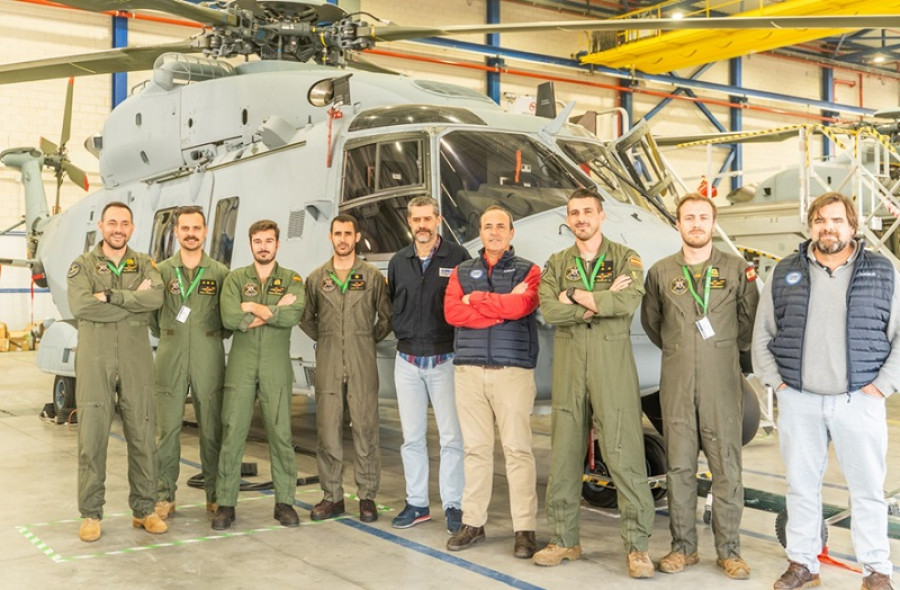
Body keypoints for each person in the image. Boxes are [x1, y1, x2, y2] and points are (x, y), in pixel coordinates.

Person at [753, 192, 899, 590]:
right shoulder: (785, 272)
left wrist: (882, 386)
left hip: (860, 400)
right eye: (820, 220)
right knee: (801, 486)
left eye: (836, 220)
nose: (827, 227)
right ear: (811, 226)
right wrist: (778, 384)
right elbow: (762, 334)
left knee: (868, 490)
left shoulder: (883, 272)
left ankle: (876, 570)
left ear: (852, 226)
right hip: (800, 400)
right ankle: (803, 564)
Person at [534, 188, 655, 578]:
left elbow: (626, 303)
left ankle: (637, 548)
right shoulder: (557, 262)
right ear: (568, 220)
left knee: (624, 453)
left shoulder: (625, 258)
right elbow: (550, 309)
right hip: (570, 364)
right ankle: (564, 539)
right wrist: (592, 301)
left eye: (588, 211)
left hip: (611, 364)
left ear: (601, 216)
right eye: (574, 213)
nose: (581, 218)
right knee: (565, 455)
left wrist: (576, 299)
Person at [640, 194, 759, 579]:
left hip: (721, 383)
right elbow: (652, 323)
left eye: (703, 218)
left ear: (712, 223)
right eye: (688, 218)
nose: (695, 224)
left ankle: (729, 550)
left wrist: (717, 351)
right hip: (676, 383)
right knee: (678, 467)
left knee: (727, 467)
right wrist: (682, 349)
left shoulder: (737, 269)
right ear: (678, 224)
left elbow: (748, 323)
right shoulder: (660, 272)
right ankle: (683, 548)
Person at [443, 205, 541, 559]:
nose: (495, 232)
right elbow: (453, 313)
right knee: (476, 451)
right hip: (468, 372)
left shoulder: (529, 270)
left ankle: (524, 529)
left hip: (512, 371)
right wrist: (499, 308)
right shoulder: (461, 271)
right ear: (480, 233)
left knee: (517, 450)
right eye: (488, 226)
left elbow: (523, 307)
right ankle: (473, 522)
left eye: (502, 226)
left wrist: (479, 301)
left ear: (511, 233)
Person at [66, 201, 166, 542]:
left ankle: (145, 510)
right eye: (112, 222)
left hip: (136, 357)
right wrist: (129, 303)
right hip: (96, 356)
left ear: (132, 228)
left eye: (124, 223)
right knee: (92, 435)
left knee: (143, 432)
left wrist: (108, 297)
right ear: (101, 226)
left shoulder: (146, 263)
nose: (118, 228)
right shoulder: (83, 265)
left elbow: (155, 299)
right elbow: (81, 305)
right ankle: (91, 513)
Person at [211, 219, 306, 530]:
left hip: (276, 365)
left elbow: (294, 315)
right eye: (258, 241)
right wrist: (273, 310)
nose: (263, 246)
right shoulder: (236, 278)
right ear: (250, 245)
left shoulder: (292, 279)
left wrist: (253, 307)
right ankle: (225, 503)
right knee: (232, 432)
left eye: (269, 240)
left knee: (281, 435)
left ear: (277, 244)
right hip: (241, 363)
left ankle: (285, 502)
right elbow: (229, 317)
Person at [300, 214, 392, 523]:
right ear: (330, 237)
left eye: (347, 233)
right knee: (327, 430)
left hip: (362, 359)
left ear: (356, 238)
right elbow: (306, 318)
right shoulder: (316, 279)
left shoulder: (372, 277)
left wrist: (363, 339)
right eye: (337, 233)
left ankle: (366, 496)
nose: (342, 238)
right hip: (327, 360)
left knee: (366, 428)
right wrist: (329, 338)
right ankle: (332, 496)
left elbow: (386, 317)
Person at [387, 196, 470, 533]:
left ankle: (454, 504)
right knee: (412, 438)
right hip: (406, 361)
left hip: (445, 359)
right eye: (416, 219)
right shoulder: (398, 261)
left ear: (438, 220)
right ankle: (417, 503)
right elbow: (393, 301)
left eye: (428, 219)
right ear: (410, 223)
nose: (422, 225)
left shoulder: (458, 258)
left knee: (451, 437)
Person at [150, 206, 230, 521]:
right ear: (177, 232)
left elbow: (226, 317)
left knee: (212, 427)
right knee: (167, 428)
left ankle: (215, 494)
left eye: (196, 228)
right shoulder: (162, 271)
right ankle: (164, 496)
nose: (191, 233)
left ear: (205, 231)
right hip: (170, 351)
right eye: (185, 228)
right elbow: (152, 319)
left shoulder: (220, 273)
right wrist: (173, 334)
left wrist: (204, 336)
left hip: (208, 352)